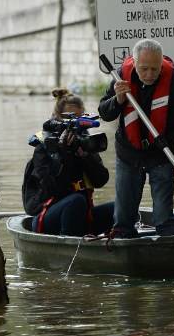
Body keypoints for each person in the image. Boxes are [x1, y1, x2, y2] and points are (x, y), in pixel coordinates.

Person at [98, 38, 174, 238]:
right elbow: (104, 112)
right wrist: (117, 100)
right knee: (123, 217)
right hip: (128, 153)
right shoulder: (120, 77)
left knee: (163, 217)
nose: (150, 74)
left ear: (161, 64)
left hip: (162, 153)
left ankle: (168, 248)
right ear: (134, 63)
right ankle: (123, 244)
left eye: (155, 69)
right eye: (144, 69)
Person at [22, 89, 114, 236]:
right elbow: (51, 188)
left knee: (123, 208)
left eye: (79, 121)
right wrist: (63, 153)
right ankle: (69, 246)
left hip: (81, 214)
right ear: (57, 120)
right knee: (76, 201)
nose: (75, 127)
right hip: (47, 216)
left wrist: (85, 156)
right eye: (70, 121)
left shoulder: (84, 143)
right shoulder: (43, 148)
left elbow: (101, 180)